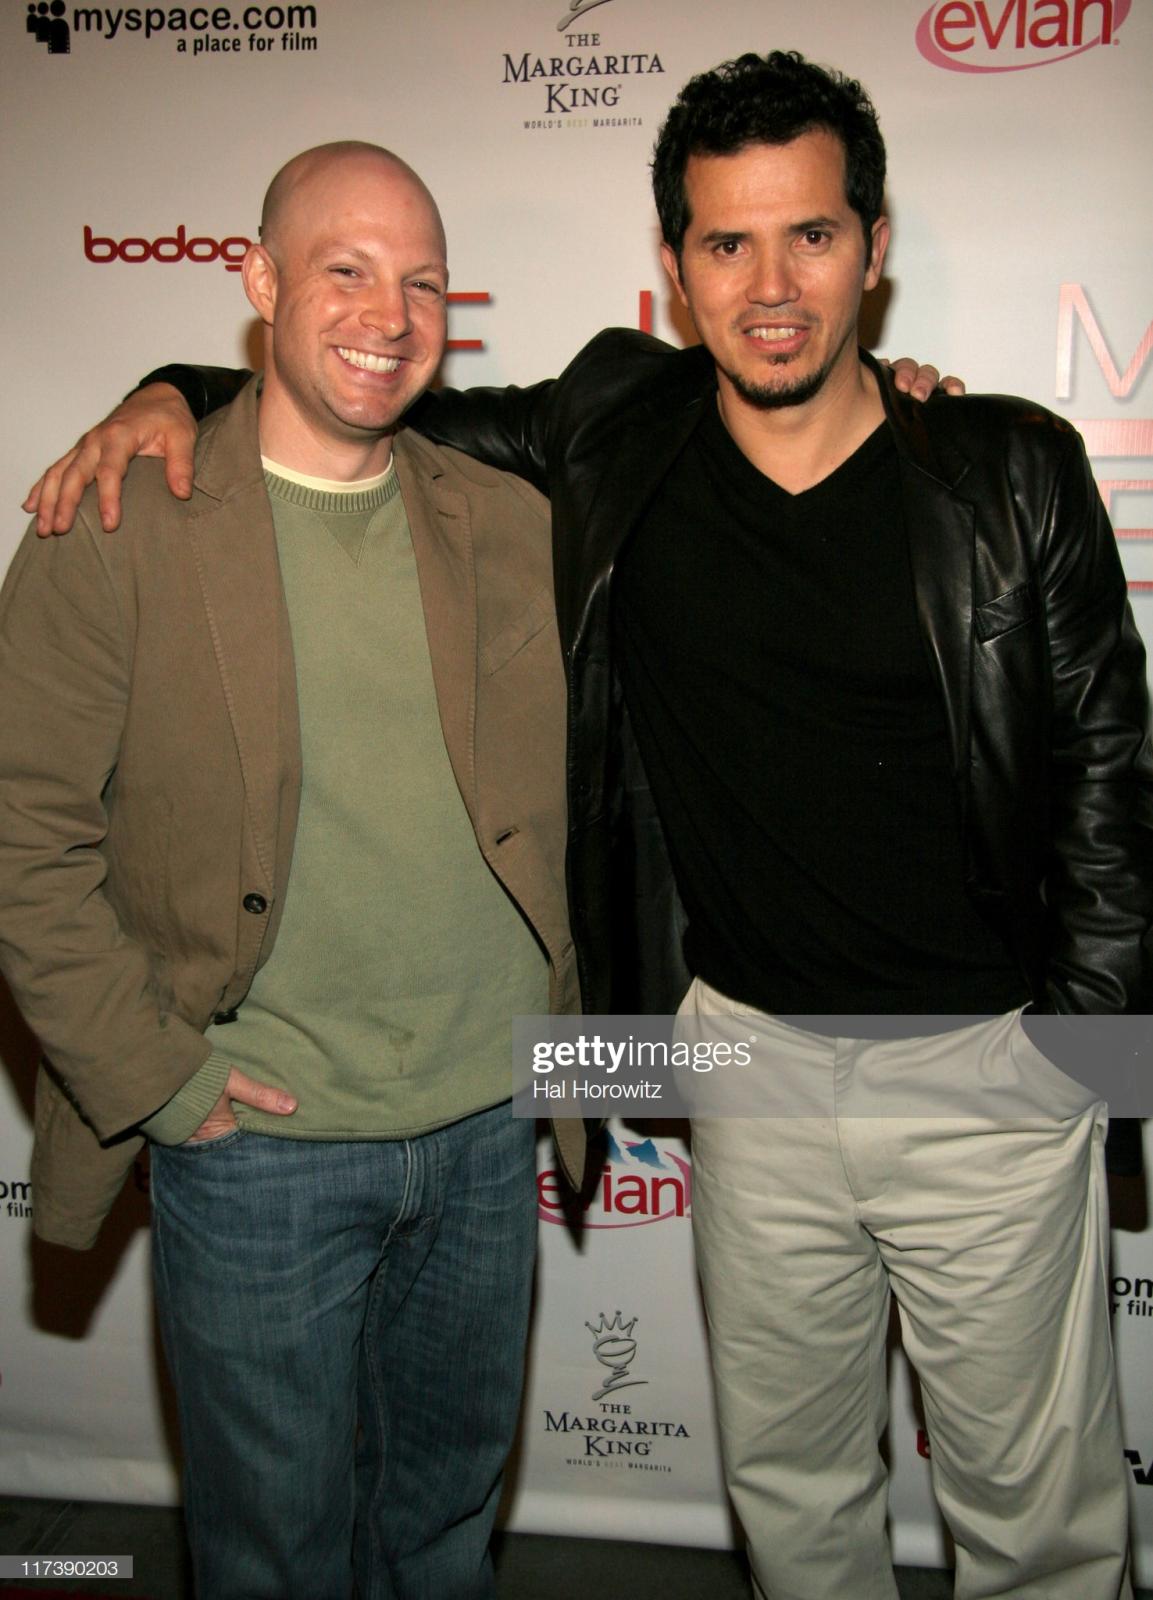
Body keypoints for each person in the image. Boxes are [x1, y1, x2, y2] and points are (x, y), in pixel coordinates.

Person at [22, 51, 1129, 1600]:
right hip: (736, 1062)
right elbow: (353, 391)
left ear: (872, 249)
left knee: (1041, 1521)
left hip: (981, 1069)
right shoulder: (616, 435)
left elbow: (1107, 784)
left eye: (810, 235)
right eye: (727, 243)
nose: (769, 286)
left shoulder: (1007, 470)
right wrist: (168, 387)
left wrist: (1082, 1076)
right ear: (673, 266)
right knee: (793, 1494)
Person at [0, 141, 585, 1600]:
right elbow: (22, 838)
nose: (390, 315)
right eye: (345, 270)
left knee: (445, 1526)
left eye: (423, 282)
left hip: (487, 1129)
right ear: (257, 282)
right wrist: (161, 1083)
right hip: (257, 1146)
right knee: (270, 1550)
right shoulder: (115, 525)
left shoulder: (506, 521)